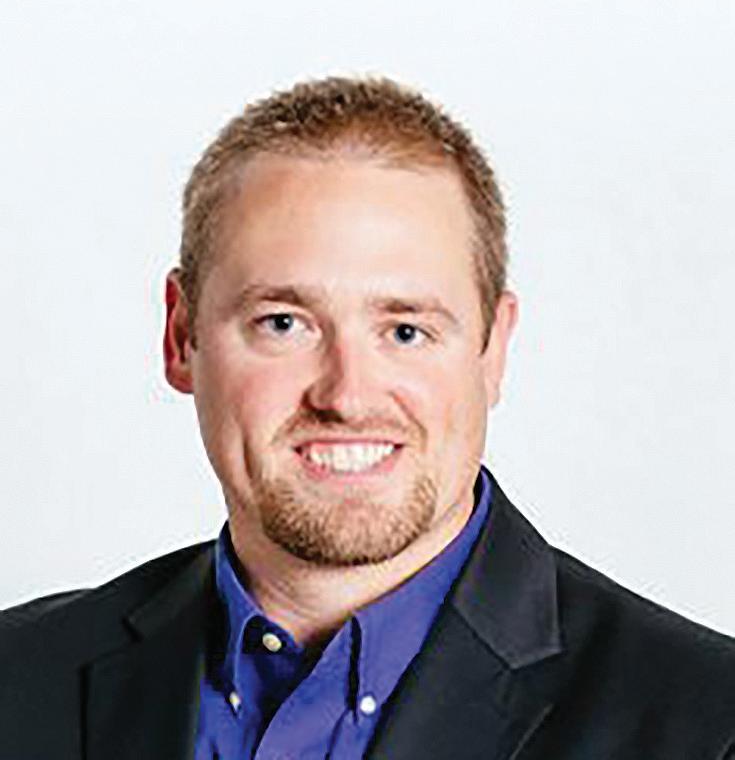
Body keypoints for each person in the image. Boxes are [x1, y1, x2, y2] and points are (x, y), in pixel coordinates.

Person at [1, 75, 734, 760]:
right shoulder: (17, 677)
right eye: (283, 323)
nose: (346, 396)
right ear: (180, 336)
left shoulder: (706, 726)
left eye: (405, 331)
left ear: (493, 351)